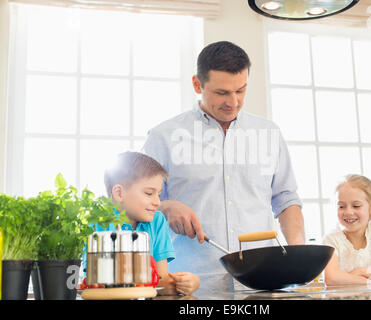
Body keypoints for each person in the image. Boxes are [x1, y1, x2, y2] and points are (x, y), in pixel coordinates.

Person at [142, 41, 305, 290]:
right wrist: (165, 207)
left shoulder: (268, 133)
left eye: (241, 90)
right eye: (222, 93)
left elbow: (285, 198)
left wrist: (298, 252)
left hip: (263, 282)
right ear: (198, 84)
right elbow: (134, 206)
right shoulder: (163, 136)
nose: (234, 102)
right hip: (191, 285)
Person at [83, 151, 200, 296]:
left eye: (159, 194)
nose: (157, 202)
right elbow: (95, 280)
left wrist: (189, 282)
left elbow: (161, 279)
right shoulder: (97, 224)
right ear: (119, 193)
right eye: (149, 193)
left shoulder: (157, 222)